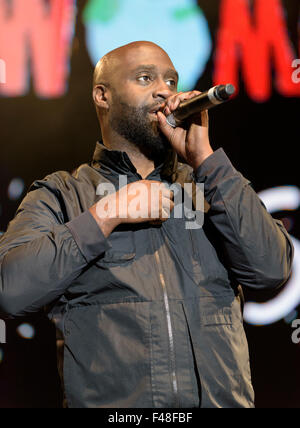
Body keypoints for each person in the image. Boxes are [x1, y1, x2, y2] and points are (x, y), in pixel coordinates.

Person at [0, 41, 294, 409]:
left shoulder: (211, 186)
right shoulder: (62, 194)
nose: (164, 90)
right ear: (102, 95)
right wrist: (107, 214)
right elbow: (10, 289)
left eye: (171, 81)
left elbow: (271, 269)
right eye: (145, 78)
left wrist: (206, 160)